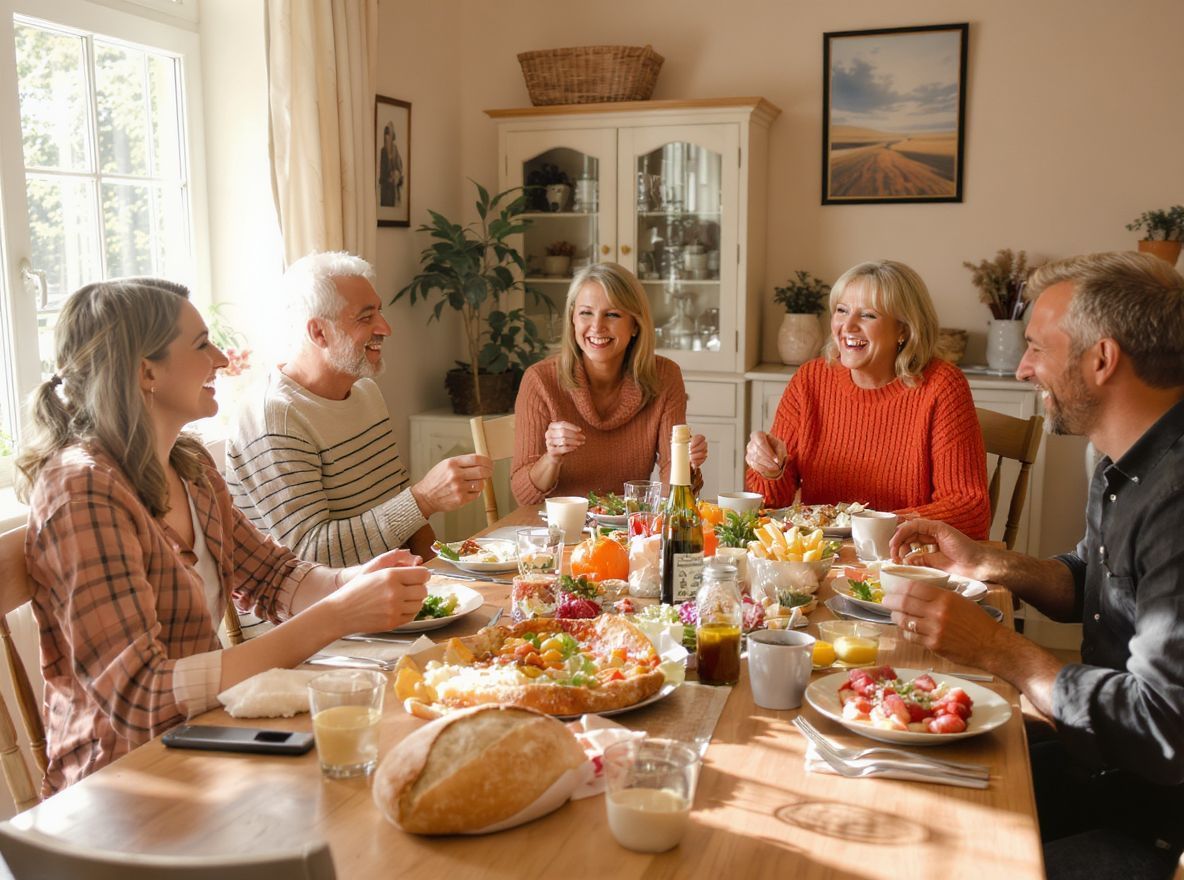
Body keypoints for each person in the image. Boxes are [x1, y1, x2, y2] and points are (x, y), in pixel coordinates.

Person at [15, 278, 429, 794]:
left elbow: (275, 576)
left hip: (205, 739)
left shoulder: (189, 467)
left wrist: (354, 580)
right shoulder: (82, 490)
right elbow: (140, 699)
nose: (220, 359)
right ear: (146, 371)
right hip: (121, 784)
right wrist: (339, 614)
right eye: (200, 345)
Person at [883, 252, 1184, 879]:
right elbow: (1093, 584)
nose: (1022, 369)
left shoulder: (1176, 498)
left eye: (1036, 349)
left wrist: (998, 650)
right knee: (895, 793)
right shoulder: (1121, 461)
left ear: (1101, 360)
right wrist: (989, 561)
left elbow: (1162, 726)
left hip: (1153, 822)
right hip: (1100, 767)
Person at [227, 252, 491, 570]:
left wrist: (447, 575)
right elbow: (309, 557)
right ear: (318, 333)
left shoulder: (365, 391)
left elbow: (397, 502)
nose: (386, 328)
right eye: (366, 318)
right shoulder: (274, 417)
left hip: (389, 592)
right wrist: (423, 499)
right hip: (320, 613)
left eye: (379, 312)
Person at [745, 260, 991, 539]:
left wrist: (874, 524)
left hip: (905, 561)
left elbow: (969, 509)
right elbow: (768, 506)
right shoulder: (810, 380)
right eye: (841, 310)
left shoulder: (941, 386)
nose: (848, 326)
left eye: (868, 315)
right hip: (822, 557)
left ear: (904, 329)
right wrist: (770, 471)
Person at [511, 262, 707, 504]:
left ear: (635, 324)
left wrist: (685, 462)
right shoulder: (540, 380)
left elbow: (671, 485)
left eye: (612, 314)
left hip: (631, 531)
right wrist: (551, 458)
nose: (596, 326)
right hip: (559, 532)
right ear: (572, 318)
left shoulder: (664, 376)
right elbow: (523, 496)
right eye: (586, 313)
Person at [380, 124, 403, 208]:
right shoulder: (382, 151)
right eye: (385, 134)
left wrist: (396, 173)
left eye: (388, 133)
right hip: (385, 189)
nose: (387, 136)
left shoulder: (395, 149)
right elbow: (381, 173)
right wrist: (388, 178)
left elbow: (400, 167)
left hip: (394, 188)